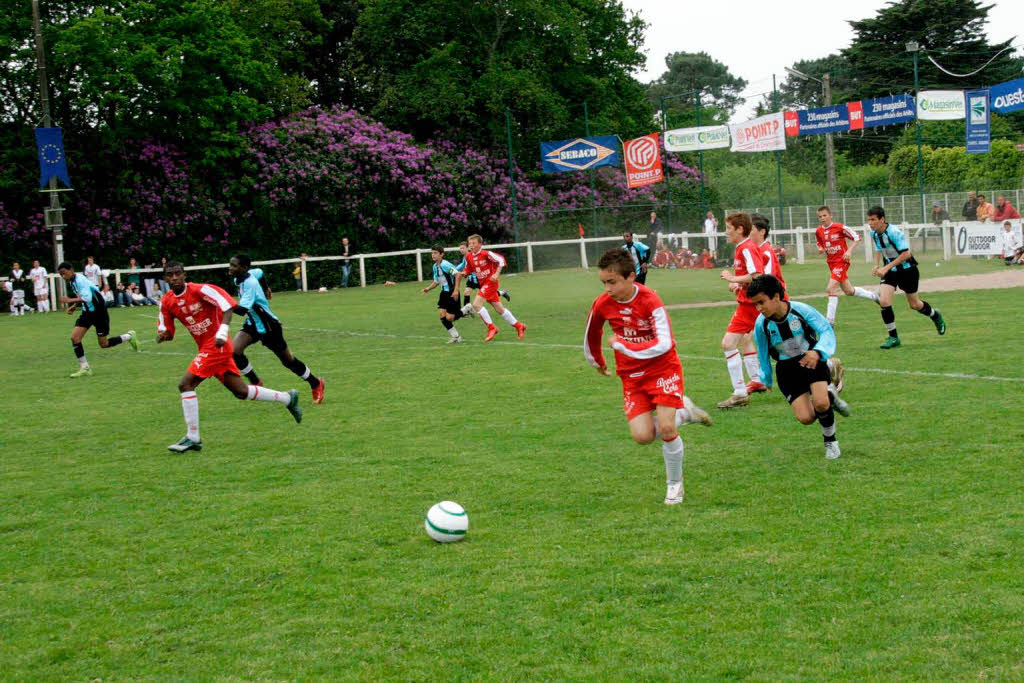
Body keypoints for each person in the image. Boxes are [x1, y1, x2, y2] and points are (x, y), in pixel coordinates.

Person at [583, 248, 711, 505]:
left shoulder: (651, 300)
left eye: (612, 282)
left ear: (632, 276)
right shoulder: (602, 303)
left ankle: (674, 485)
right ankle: (685, 412)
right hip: (631, 376)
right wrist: (596, 360)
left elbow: (665, 343)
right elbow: (592, 332)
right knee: (642, 436)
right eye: (603, 282)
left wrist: (624, 346)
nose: (607, 288)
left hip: (663, 369)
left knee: (665, 428)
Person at [157, 261, 302, 452]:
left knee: (186, 384)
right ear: (165, 278)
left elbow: (227, 305)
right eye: (170, 275)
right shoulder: (167, 301)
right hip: (206, 348)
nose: (174, 277)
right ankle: (287, 398)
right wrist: (162, 335)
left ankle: (193, 437)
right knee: (241, 391)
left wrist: (222, 331)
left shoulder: (201, 290)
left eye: (178, 273)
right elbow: (167, 331)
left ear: (184, 275)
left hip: (217, 345)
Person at [748, 274, 850, 460]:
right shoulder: (761, 324)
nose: (759, 308)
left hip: (810, 360)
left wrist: (818, 352)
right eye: (755, 304)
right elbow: (762, 351)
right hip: (786, 370)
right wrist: (766, 377)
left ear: (777, 297)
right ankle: (831, 393)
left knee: (820, 403)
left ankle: (831, 443)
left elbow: (825, 330)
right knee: (806, 418)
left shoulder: (802, 310)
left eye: (761, 302)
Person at [228, 254, 326, 404]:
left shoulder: (250, 284)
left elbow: (241, 310)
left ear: (244, 268)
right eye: (231, 264)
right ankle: (256, 382)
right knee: (234, 351)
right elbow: (260, 272)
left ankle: (316, 383)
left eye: (234, 266)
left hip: (269, 327)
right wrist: (266, 288)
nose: (230, 268)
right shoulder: (242, 277)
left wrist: (222, 301)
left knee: (288, 361)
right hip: (253, 323)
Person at [867, 206, 947, 348]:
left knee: (914, 304)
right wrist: (877, 265)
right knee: (884, 301)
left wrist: (885, 267)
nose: (870, 223)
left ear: (882, 219)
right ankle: (893, 338)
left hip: (908, 270)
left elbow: (906, 254)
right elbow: (879, 249)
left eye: (873, 220)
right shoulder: (874, 234)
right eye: (869, 220)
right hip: (891, 271)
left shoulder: (894, 232)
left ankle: (935, 315)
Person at [57, 261, 139, 377]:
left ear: (71, 270)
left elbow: (88, 297)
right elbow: (82, 297)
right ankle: (85, 367)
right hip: (87, 313)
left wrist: (69, 300)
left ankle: (129, 336)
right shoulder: (72, 281)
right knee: (75, 338)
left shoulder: (80, 280)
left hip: (99, 312)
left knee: (104, 344)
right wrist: (74, 306)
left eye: (64, 273)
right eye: (61, 275)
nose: (63, 276)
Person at [717, 212, 766, 408]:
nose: (726, 232)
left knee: (729, 343)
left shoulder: (746, 248)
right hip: (749, 305)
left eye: (729, 228)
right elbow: (750, 277)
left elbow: (757, 275)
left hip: (753, 306)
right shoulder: (742, 248)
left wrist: (733, 279)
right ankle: (746, 387)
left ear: (739, 229)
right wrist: (739, 285)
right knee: (736, 342)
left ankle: (740, 392)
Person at [814, 205, 880, 326]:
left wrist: (849, 251)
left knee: (830, 288)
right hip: (831, 263)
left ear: (830, 215)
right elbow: (819, 242)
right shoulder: (819, 231)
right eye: (820, 216)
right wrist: (820, 248)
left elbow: (856, 237)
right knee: (849, 291)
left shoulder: (840, 227)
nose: (823, 218)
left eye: (825, 215)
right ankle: (874, 296)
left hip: (842, 261)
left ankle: (829, 321)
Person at [455, 234, 527, 342]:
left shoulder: (486, 254)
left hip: (491, 283)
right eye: (470, 243)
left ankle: (492, 328)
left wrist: (496, 274)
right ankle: (519, 326)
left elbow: (501, 260)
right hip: (483, 284)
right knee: (499, 309)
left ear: (480, 244)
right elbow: (469, 268)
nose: (471, 245)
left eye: (474, 243)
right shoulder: (469, 256)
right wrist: (464, 273)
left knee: (476, 304)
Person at [421, 246, 466, 343]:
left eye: (435, 253)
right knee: (442, 315)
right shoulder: (435, 266)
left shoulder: (445, 265)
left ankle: (466, 309)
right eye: (432, 253)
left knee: (449, 317)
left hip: (452, 292)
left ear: (441, 254)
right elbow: (436, 281)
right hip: (444, 293)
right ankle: (455, 336)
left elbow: (457, 275)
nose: (433, 255)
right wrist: (428, 289)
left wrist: (456, 290)